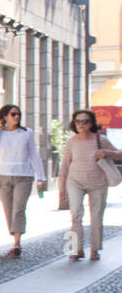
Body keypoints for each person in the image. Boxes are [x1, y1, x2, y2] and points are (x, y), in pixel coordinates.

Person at [58, 108, 121, 261]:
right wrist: (62, 189)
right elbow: (65, 166)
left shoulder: (100, 139)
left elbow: (119, 153)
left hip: (97, 182)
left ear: (91, 123)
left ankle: (94, 249)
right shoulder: (72, 141)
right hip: (75, 181)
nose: (81, 124)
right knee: (76, 215)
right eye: (78, 121)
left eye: (85, 121)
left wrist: (107, 152)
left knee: (97, 215)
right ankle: (77, 249)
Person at [0, 104, 45, 256]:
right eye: (13, 114)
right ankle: (15, 236)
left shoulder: (26, 133)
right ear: (5, 116)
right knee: (8, 209)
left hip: (24, 176)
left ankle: (17, 243)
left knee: (18, 209)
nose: (16, 117)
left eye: (18, 114)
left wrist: (41, 177)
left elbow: (34, 155)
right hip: (3, 176)